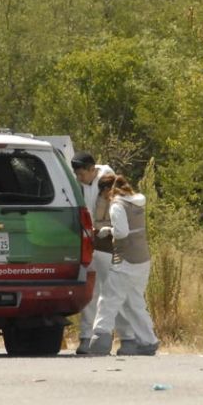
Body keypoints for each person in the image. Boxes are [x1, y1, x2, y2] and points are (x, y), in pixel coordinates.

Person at [70, 152, 136, 355]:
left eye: (82, 174)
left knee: (114, 292)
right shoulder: (80, 184)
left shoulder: (109, 183)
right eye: (77, 175)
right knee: (92, 292)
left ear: (92, 170)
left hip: (108, 243)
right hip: (89, 243)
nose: (80, 178)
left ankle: (128, 338)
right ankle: (88, 337)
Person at [87, 174, 160, 356]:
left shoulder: (117, 205)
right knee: (135, 302)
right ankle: (148, 341)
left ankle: (100, 341)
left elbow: (121, 233)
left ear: (107, 191)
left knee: (109, 299)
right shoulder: (137, 202)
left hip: (125, 259)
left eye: (103, 194)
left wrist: (108, 230)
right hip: (142, 258)